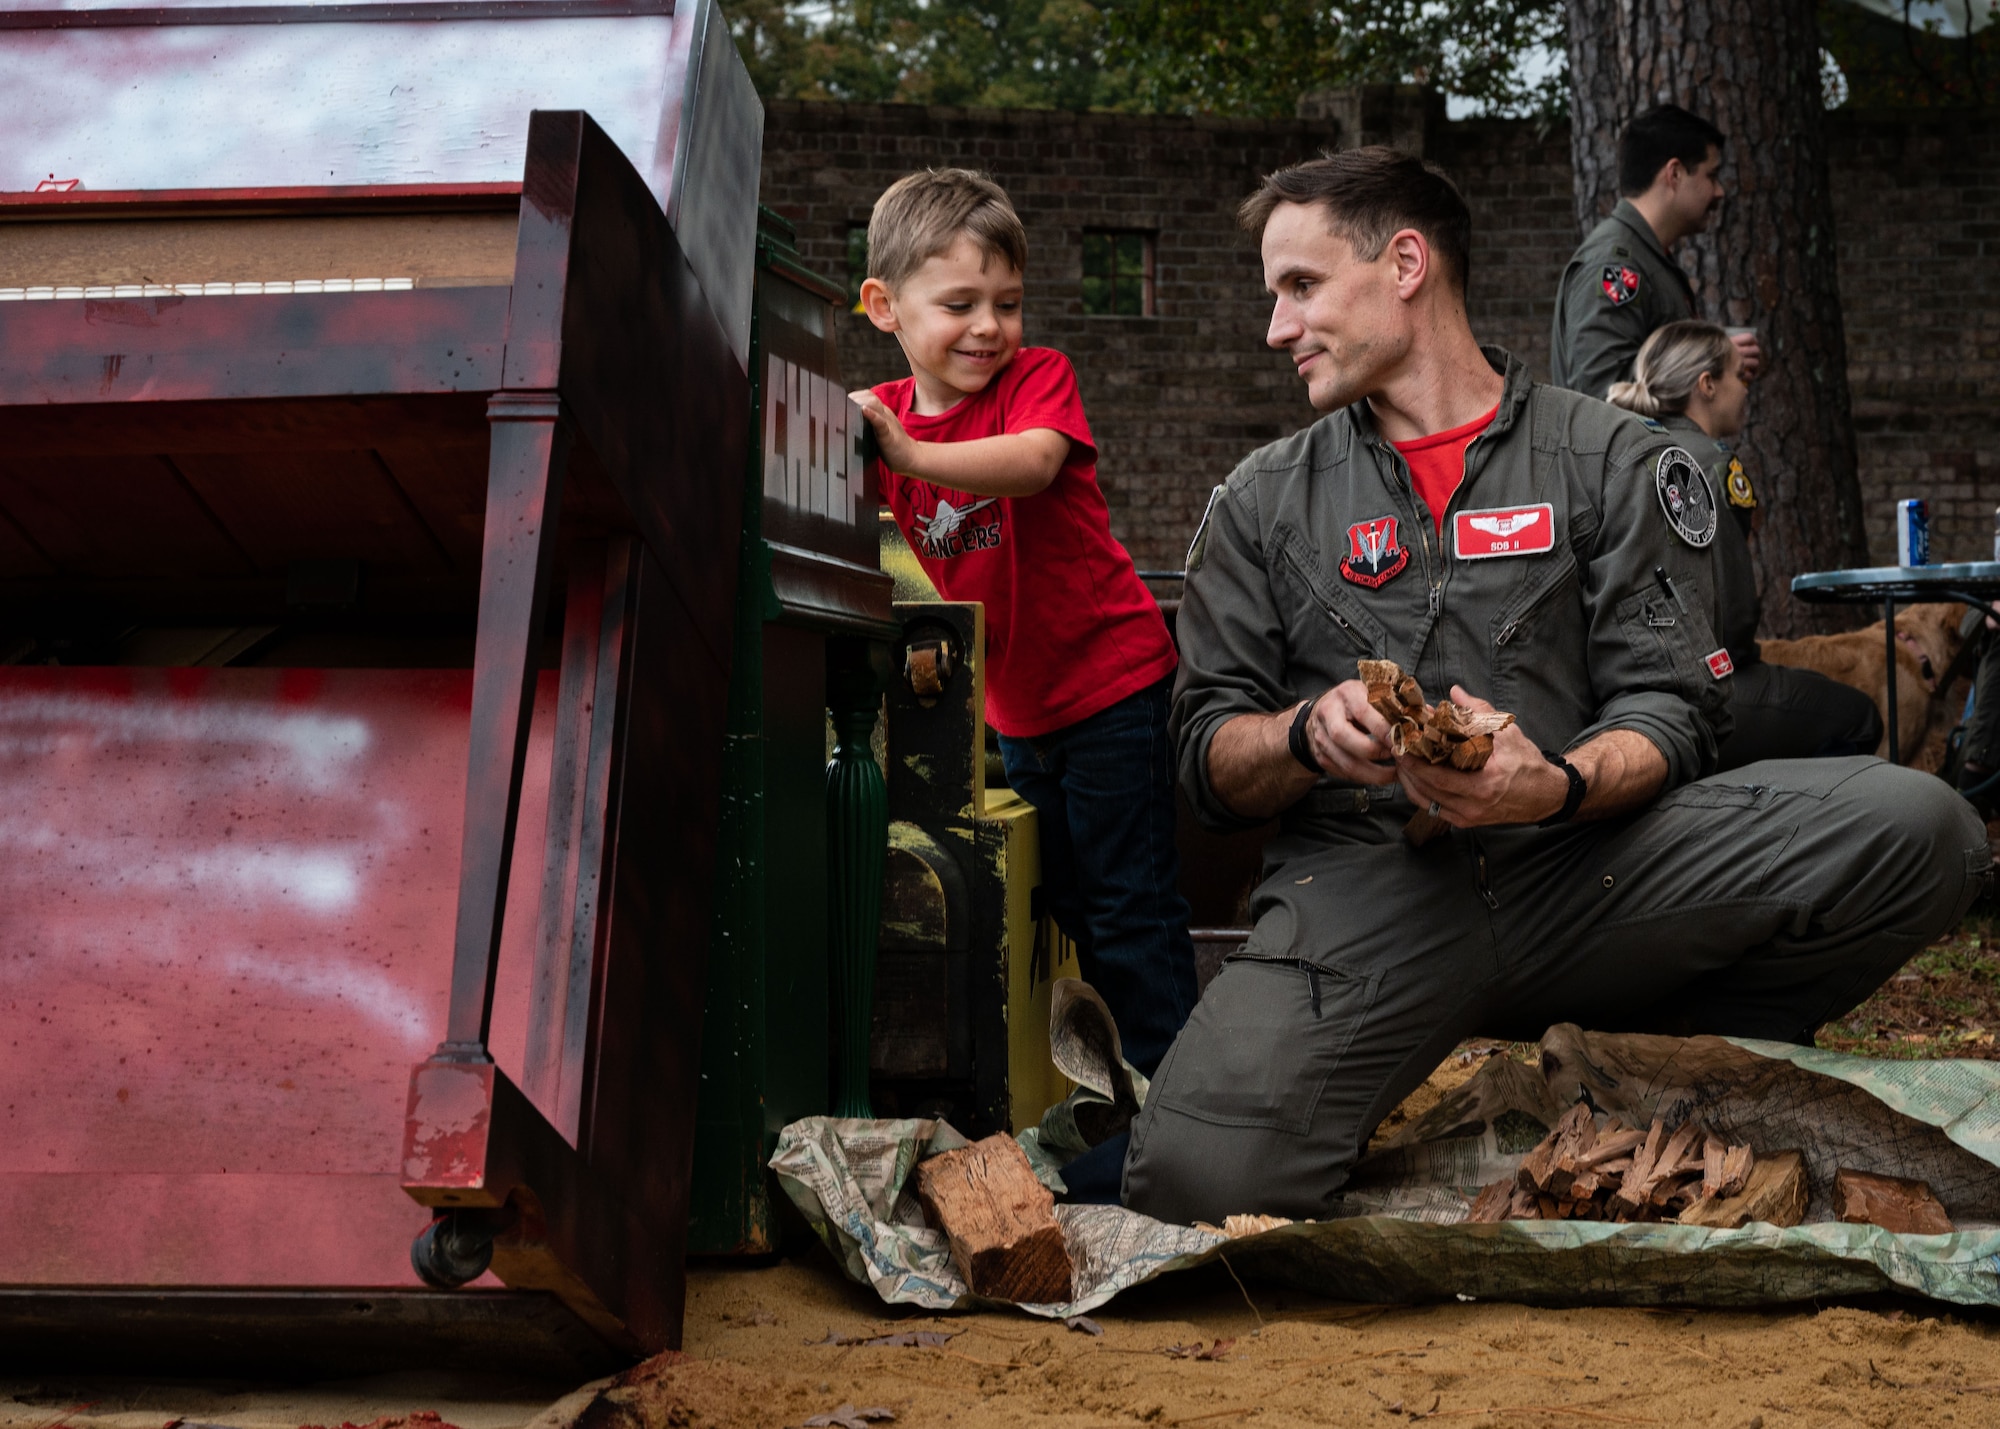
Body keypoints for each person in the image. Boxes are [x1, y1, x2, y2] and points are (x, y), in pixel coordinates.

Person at [1121, 147, 1988, 1227]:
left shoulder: (1608, 460)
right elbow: (1204, 759)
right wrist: (1302, 734)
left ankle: (1665, 1063)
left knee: (1919, 824)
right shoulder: (1261, 500)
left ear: (1404, 264)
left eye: (1299, 287)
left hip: (1597, 869)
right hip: (1366, 894)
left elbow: (1674, 714)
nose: (1276, 327)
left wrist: (1557, 783)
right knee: (1193, 1183)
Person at [848, 167, 1198, 1077]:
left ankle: (1184, 1107)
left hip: (1111, 685)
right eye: (959, 302)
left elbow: (1036, 464)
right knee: (1073, 910)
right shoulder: (878, 417)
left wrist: (910, 449)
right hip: (1020, 711)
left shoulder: (1036, 381)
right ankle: (1120, 1093)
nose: (989, 327)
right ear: (884, 306)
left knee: (1132, 911)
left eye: (1007, 303)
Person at [1606, 320, 1882, 767]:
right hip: (1699, 692)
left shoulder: (1623, 456)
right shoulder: (1713, 465)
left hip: (1622, 686)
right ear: (1707, 384)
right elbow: (1732, 613)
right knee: (1860, 717)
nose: (1746, 390)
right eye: (1740, 376)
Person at [1550, 104, 1761, 402]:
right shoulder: (1615, 264)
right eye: (1711, 176)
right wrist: (1710, 360)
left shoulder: (1644, 257)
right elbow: (1602, 392)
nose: (1719, 191)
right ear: (1674, 174)